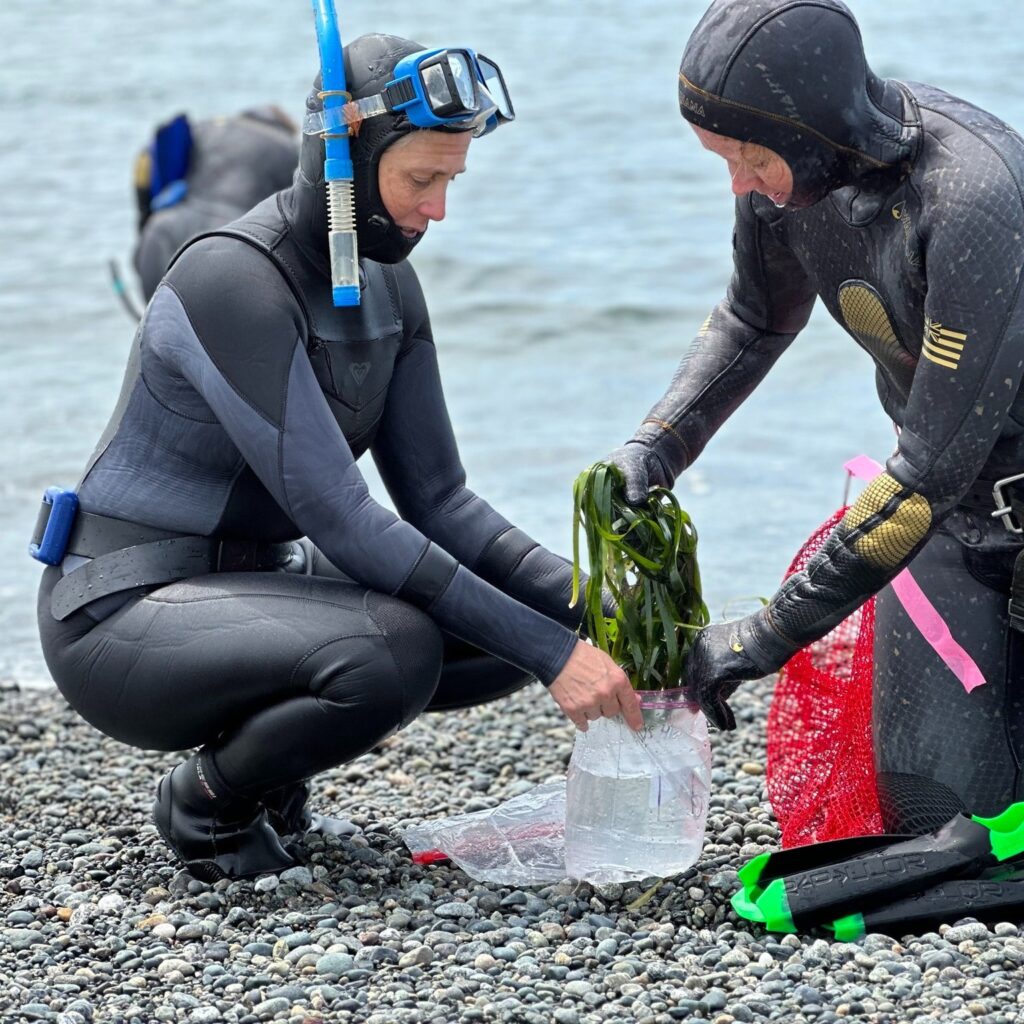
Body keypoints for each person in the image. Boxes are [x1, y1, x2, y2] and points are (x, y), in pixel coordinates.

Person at [36, 33, 641, 881]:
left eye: (450, 181)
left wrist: (601, 609)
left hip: (253, 582)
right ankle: (207, 806)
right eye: (421, 180)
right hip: (120, 612)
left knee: (499, 620)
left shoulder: (391, 285)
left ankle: (277, 779)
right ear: (341, 163)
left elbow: (444, 502)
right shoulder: (232, 281)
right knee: (394, 647)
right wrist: (557, 659)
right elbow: (344, 519)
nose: (438, 210)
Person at [606, 0, 1024, 833]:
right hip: (956, 525)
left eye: (750, 158)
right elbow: (754, 318)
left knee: (985, 867)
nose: (739, 184)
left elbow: (920, 480)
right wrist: (654, 446)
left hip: (939, 491)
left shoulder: (974, 200)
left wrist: (760, 636)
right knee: (932, 824)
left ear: (817, 130)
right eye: (722, 159)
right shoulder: (791, 183)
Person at [132, 106, 299, 300]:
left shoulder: (205, 128)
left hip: (162, 231)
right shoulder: (290, 149)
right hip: (232, 243)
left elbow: (147, 162)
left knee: (158, 319)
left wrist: (145, 222)